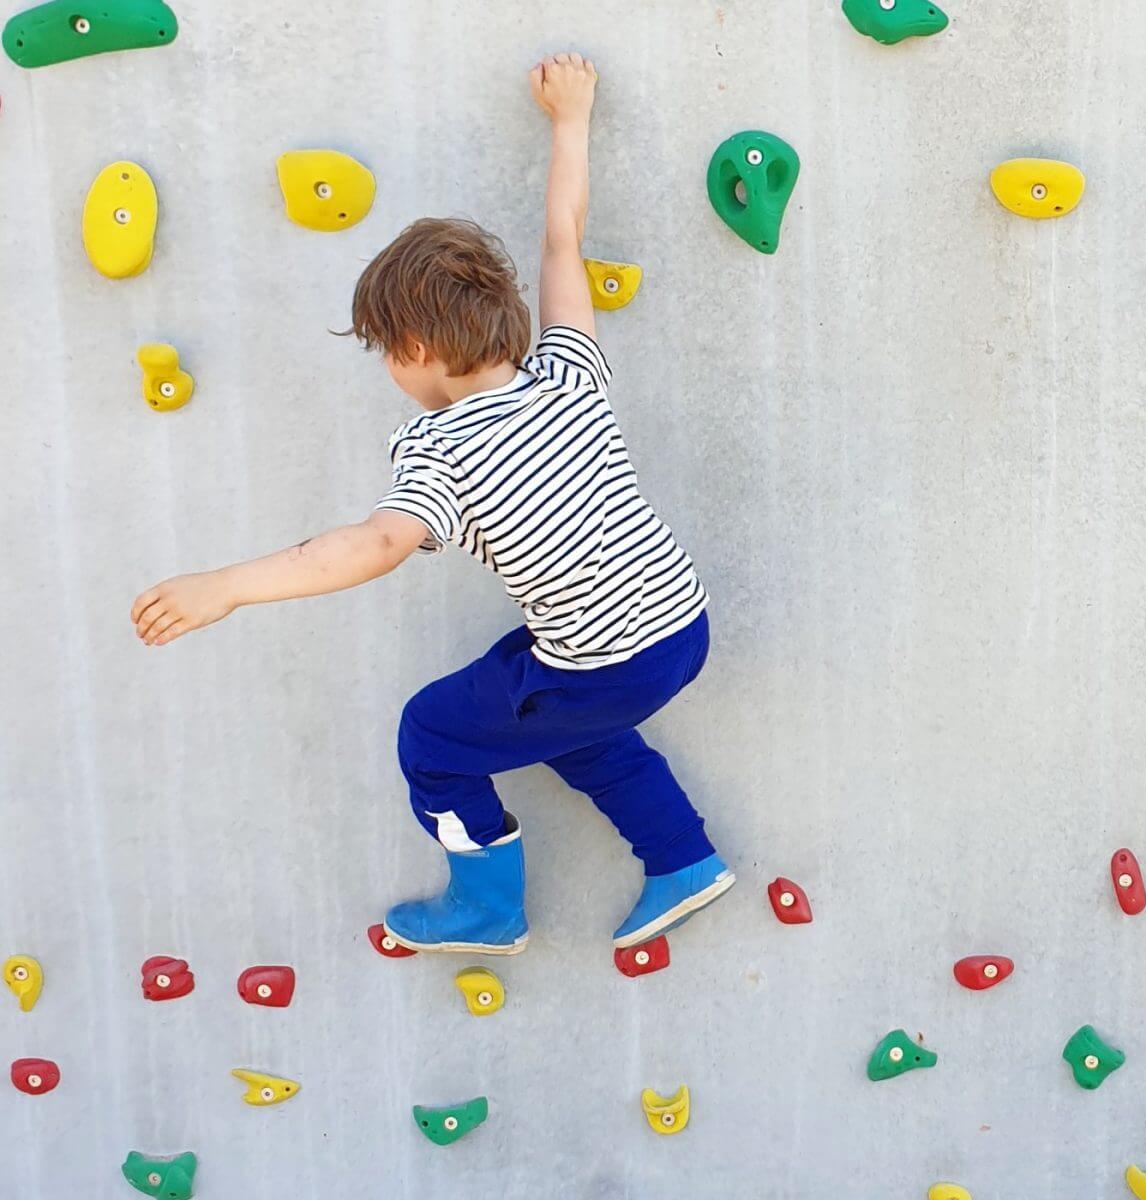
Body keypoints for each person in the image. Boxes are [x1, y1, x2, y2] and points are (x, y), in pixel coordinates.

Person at [130, 52, 734, 954]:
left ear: (412, 345)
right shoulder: (569, 370)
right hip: (680, 629)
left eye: (383, 349)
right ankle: (683, 859)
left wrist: (226, 586)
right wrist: (571, 120)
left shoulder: (441, 449)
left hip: (597, 662)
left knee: (436, 735)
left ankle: (487, 909)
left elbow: (373, 544)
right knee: (561, 723)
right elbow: (563, 242)